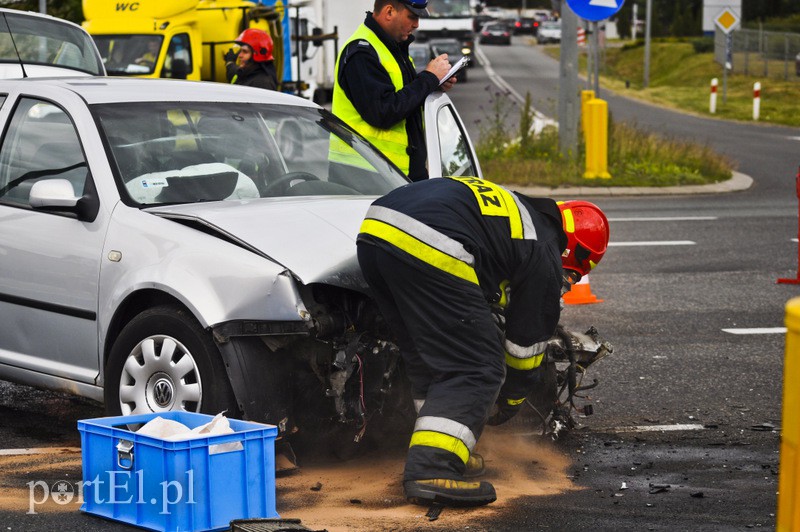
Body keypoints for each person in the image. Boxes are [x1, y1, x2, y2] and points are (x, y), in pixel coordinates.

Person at [356, 176, 610, 507]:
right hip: (429, 239)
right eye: (572, 275)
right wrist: (513, 399)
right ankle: (431, 469)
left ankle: (443, 448)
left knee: (426, 356)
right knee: (477, 365)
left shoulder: (520, 214)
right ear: (571, 252)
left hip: (375, 232)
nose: (567, 281)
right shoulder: (544, 247)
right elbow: (525, 346)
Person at [332, 0, 456, 181]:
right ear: (389, 12)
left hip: (390, 173)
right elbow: (383, 112)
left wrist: (433, 84)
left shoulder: (392, 48)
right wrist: (428, 78)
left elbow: (405, 100)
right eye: (412, 17)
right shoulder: (362, 53)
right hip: (364, 175)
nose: (417, 24)